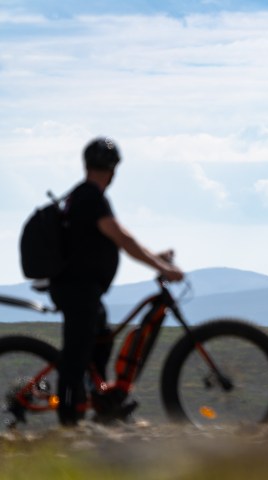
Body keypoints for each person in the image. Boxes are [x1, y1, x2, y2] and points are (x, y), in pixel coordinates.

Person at [49, 137, 184, 426]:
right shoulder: (91, 198)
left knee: (101, 341)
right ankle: (69, 424)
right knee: (76, 357)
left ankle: (103, 407)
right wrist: (161, 266)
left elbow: (116, 239)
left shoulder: (83, 196)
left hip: (83, 290)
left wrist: (156, 257)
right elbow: (123, 239)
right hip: (78, 290)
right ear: (113, 170)